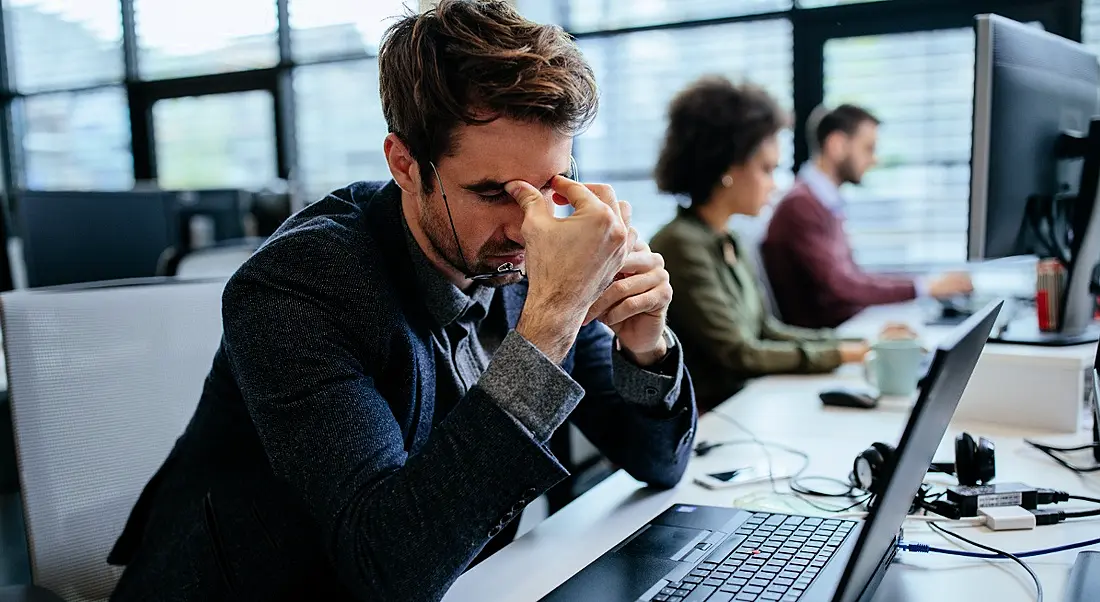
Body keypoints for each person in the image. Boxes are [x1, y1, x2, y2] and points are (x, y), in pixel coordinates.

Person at [106, 2, 697, 601]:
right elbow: (388, 567)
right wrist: (551, 323)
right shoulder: (296, 288)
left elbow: (658, 462)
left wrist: (645, 342)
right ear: (405, 164)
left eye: (549, 187)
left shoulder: (530, 256)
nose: (527, 226)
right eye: (493, 191)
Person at [650, 76, 868, 412]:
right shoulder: (679, 244)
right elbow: (740, 353)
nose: (775, 185)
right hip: (714, 420)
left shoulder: (730, 237)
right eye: (767, 169)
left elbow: (766, 329)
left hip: (749, 404)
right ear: (727, 167)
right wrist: (842, 353)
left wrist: (857, 344)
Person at [761, 104, 974, 329]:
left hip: (847, 326)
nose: (875, 160)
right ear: (837, 145)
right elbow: (842, 285)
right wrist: (925, 288)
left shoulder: (823, 200)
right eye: (869, 148)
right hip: (828, 338)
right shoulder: (801, 205)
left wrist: (925, 285)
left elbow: (853, 277)